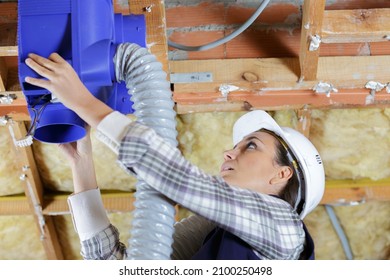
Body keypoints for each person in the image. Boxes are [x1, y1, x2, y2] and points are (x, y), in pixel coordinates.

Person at [24, 53, 325, 260]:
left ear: (282, 174)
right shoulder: (211, 233)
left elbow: (181, 181)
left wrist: (83, 102)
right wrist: (81, 164)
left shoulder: (286, 232)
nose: (229, 151)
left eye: (251, 146)